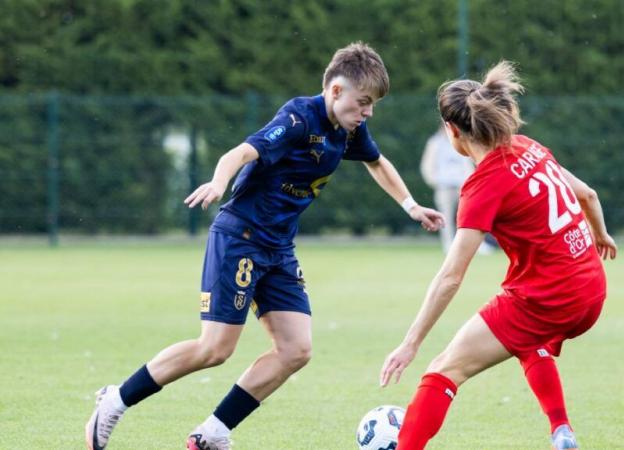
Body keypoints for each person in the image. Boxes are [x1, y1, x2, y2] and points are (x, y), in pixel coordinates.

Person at [85, 42, 445, 450]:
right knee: (215, 348)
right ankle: (116, 399)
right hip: (240, 236)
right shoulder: (298, 117)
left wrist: (411, 205)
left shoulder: (349, 129)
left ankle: (214, 432)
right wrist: (220, 183)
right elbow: (241, 152)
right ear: (336, 90)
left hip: (278, 248)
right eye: (363, 102)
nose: (368, 113)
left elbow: (377, 162)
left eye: (373, 105)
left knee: (296, 349)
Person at [380, 61, 617, 450]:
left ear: (452, 131)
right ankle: (562, 432)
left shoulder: (482, 185)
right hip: (591, 289)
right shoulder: (529, 146)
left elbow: (451, 276)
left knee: (444, 369)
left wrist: (411, 342)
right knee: (526, 338)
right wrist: (601, 235)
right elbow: (587, 193)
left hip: (549, 298)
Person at [420, 126, 494, 254]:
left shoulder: (461, 140)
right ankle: (449, 246)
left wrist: (472, 181)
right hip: (444, 186)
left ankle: (477, 245)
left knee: (470, 216)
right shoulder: (435, 143)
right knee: (445, 218)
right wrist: (434, 180)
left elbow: (468, 162)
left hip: (463, 184)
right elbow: (427, 164)